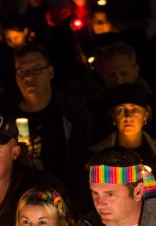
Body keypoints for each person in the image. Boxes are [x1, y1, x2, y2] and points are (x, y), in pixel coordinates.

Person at [11, 43, 97, 206]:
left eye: (36, 70)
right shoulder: (7, 116)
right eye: (22, 72)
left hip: (70, 201)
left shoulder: (72, 112)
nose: (28, 78)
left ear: (50, 72)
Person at [90, 83, 156, 209]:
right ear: (113, 116)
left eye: (135, 110)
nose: (128, 116)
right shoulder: (96, 159)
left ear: (146, 115)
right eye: (121, 110)